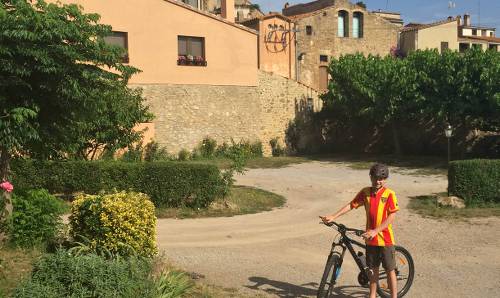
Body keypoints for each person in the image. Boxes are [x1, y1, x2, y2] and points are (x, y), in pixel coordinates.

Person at [319, 163, 399, 298]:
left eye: (381, 178)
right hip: (370, 239)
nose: (378, 181)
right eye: (375, 178)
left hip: (385, 238)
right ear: (370, 177)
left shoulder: (390, 194)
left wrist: (376, 231)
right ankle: (372, 296)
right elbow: (351, 205)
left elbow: (392, 217)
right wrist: (333, 216)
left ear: (385, 179)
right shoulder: (365, 192)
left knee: (390, 270)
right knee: (373, 270)